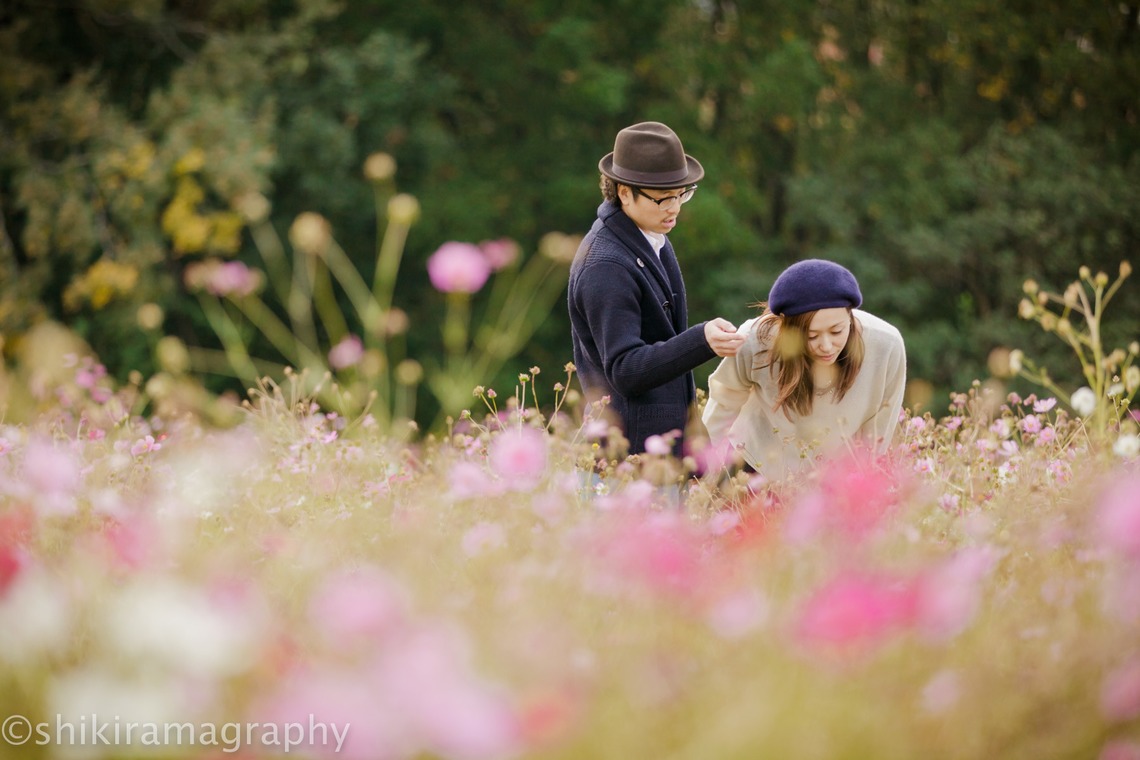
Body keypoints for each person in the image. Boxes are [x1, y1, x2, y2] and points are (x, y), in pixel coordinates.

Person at [568, 121, 745, 457]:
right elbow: (625, 370)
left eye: (682, 194)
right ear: (624, 193)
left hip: (664, 453)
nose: (675, 208)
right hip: (625, 461)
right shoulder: (606, 265)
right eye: (663, 199)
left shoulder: (650, 235)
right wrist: (701, 340)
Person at [702, 259, 906, 479]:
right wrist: (705, 471)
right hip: (754, 462)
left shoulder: (887, 345)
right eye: (811, 336)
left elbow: (877, 433)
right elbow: (724, 401)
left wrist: (854, 485)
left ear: (850, 316)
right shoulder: (755, 340)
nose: (826, 346)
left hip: (830, 475)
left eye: (836, 331)